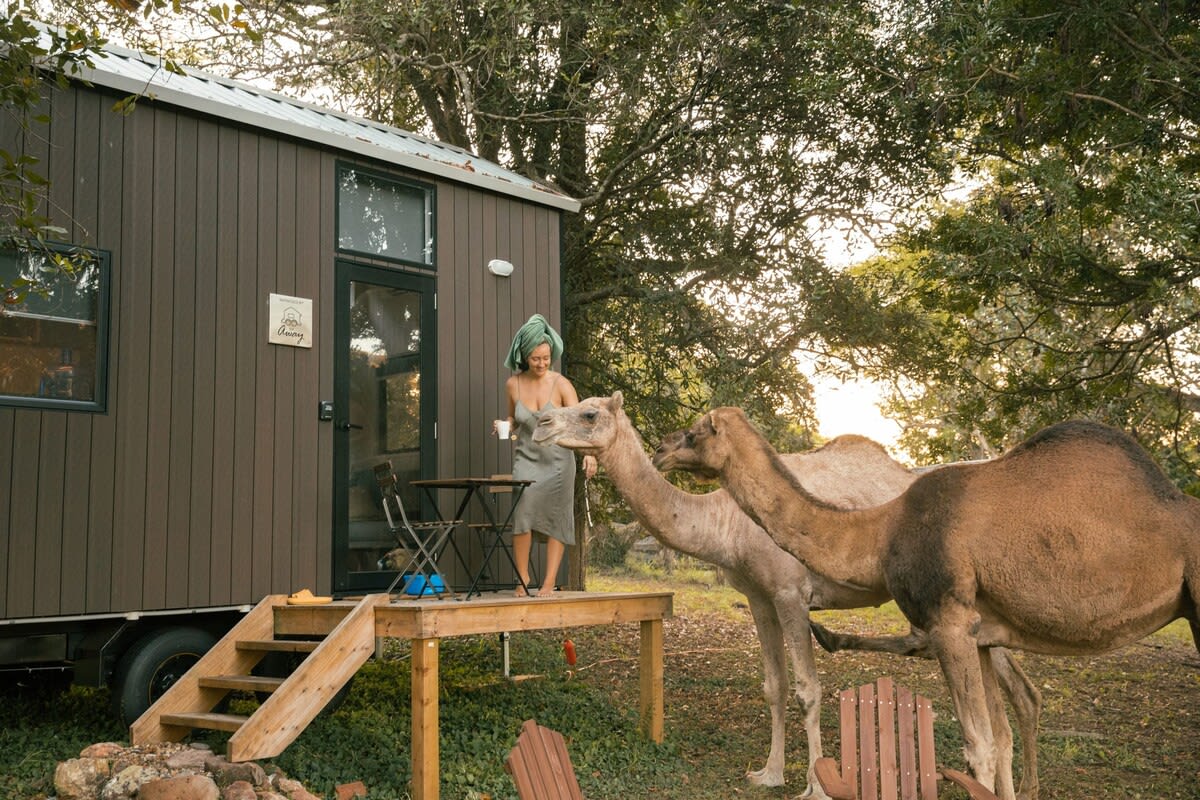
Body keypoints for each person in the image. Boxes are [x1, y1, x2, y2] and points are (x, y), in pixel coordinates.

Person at [497, 314, 597, 596]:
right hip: (526, 458)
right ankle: (522, 577)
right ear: (524, 356)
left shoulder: (561, 384)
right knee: (522, 514)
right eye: (535, 358)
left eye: (546, 357)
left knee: (556, 517)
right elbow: (515, 420)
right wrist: (504, 425)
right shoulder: (512, 385)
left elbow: (582, 423)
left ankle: (549, 581)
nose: (542, 364)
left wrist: (590, 455)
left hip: (558, 462)